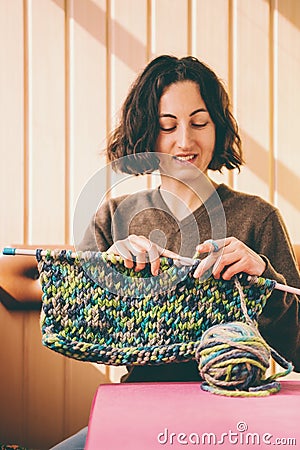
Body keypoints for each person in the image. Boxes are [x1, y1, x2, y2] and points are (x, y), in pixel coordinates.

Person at [50, 55, 300, 449]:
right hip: (137, 410)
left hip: (239, 414)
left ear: (218, 128)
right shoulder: (113, 216)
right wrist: (111, 277)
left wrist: (266, 279)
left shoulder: (257, 218)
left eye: (199, 123)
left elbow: (294, 351)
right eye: (168, 127)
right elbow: (88, 341)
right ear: (148, 134)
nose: (185, 141)